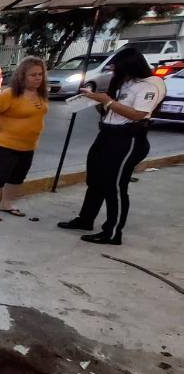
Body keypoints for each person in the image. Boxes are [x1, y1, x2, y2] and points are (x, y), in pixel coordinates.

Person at [57, 48, 166, 245]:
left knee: (114, 186)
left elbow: (138, 114)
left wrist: (107, 101)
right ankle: (85, 219)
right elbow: (110, 110)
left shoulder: (151, 85)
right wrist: (95, 100)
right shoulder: (126, 82)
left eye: (118, 67)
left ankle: (112, 232)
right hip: (106, 134)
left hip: (128, 139)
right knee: (95, 179)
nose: (114, 71)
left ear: (131, 66)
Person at [0, 56, 49, 221]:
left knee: (17, 177)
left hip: (27, 146)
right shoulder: (11, 94)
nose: (38, 78)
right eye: (33, 75)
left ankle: (6, 204)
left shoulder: (40, 93)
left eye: (40, 74)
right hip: (3, 145)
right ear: (22, 76)